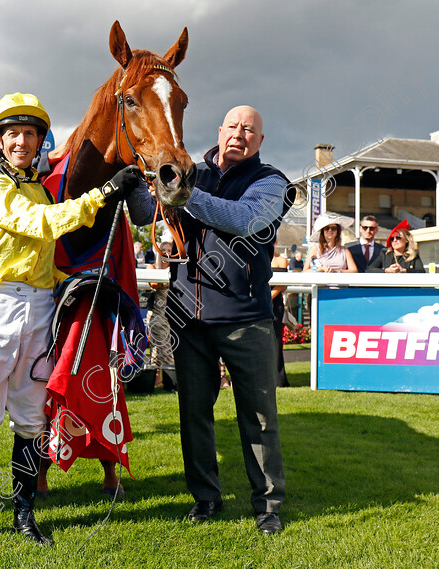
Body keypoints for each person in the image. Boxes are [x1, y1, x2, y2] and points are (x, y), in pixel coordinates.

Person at [0, 92, 139, 554]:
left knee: (31, 420)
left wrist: (79, 280)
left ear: (39, 142)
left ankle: (23, 515)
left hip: (37, 308)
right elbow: (40, 224)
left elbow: (40, 258)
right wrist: (106, 192)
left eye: (29, 134)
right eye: (12, 133)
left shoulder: (35, 185)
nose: (21, 142)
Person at [127, 105, 290, 534]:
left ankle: (268, 505)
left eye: (249, 129)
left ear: (260, 140)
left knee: (258, 416)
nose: (239, 134)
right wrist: (131, 182)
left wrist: (182, 190)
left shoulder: (272, 182)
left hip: (246, 317)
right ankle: (205, 498)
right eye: (233, 126)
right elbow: (146, 213)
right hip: (188, 318)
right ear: (220, 131)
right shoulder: (188, 168)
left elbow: (243, 219)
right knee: (193, 413)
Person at [146, 237, 177, 392]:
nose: (166, 253)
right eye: (163, 250)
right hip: (158, 314)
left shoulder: (178, 268)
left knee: (165, 348)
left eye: (169, 251)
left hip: (175, 315)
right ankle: (160, 380)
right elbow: (154, 284)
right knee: (158, 348)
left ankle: (163, 380)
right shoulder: (152, 267)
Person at [271, 244, 289, 387]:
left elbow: (282, 285)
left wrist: (267, 297)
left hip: (274, 305)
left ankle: (279, 380)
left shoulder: (281, 260)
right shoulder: (253, 256)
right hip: (256, 302)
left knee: (276, 341)